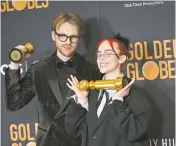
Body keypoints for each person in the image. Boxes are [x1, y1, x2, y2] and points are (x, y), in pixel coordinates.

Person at [5, 12, 102, 146]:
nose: (68, 42)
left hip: (81, 142)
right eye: (63, 36)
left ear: (79, 38)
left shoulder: (93, 70)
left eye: (73, 37)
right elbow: (14, 103)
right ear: (54, 35)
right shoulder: (38, 69)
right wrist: (14, 64)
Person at [65, 34, 152, 146]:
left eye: (107, 53)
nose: (101, 58)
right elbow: (74, 132)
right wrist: (81, 102)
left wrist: (117, 103)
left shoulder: (136, 96)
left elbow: (136, 133)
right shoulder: (91, 93)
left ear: (122, 58)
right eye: (99, 54)